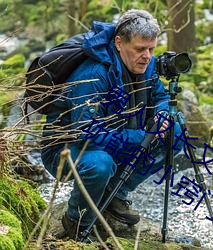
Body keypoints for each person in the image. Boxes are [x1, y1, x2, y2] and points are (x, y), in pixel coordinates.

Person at [41, 9, 184, 241]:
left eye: (151, 49)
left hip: (115, 137)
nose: (147, 56)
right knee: (100, 164)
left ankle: (115, 193)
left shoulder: (146, 65)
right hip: (67, 149)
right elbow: (87, 134)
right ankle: (76, 221)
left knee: (175, 133)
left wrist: (162, 115)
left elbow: (160, 97)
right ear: (119, 43)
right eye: (140, 49)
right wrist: (142, 137)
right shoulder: (93, 74)